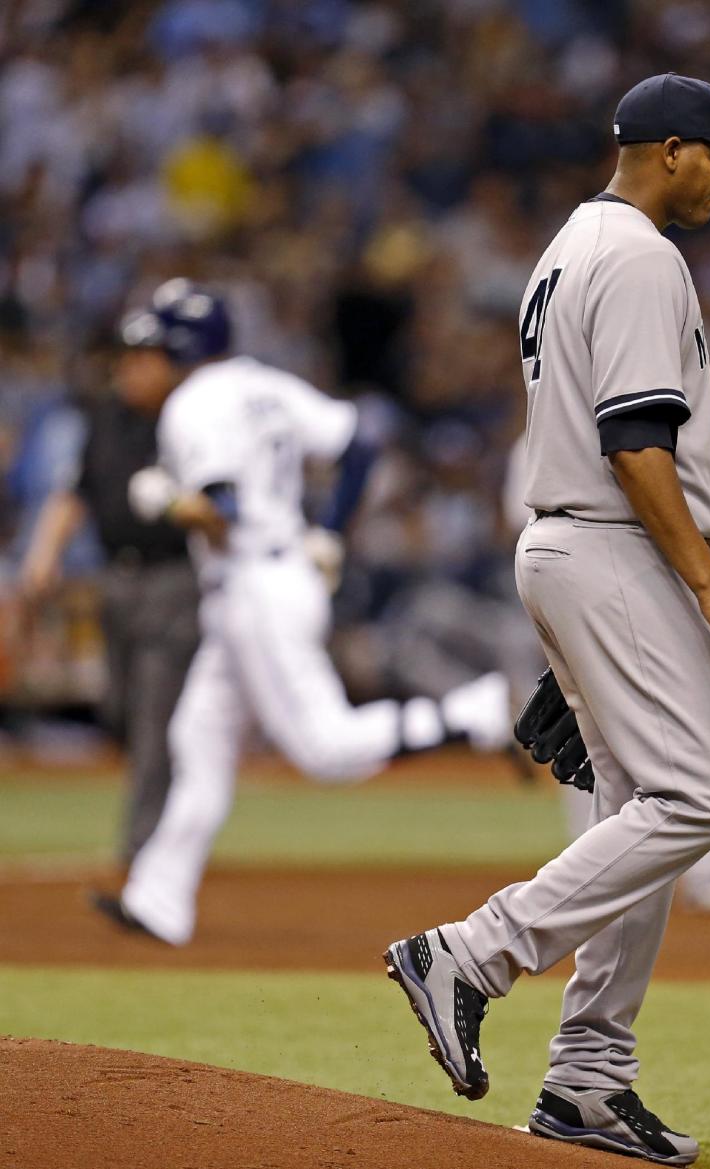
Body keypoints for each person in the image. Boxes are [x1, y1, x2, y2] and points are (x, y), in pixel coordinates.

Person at [384, 74, 710, 1165]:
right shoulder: (644, 254)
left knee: (637, 813)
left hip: (577, 546)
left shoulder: (567, 246)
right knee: (695, 798)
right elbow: (636, 438)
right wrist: (706, 585)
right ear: (664, 148)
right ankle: (472, 950)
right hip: (615, 543)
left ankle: (589, 1083)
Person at [91, 278, 511, 946]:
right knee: (197, 739)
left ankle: (472, 712)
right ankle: (158, 898)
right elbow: (361, 441)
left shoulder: (193, 405)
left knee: (327, 748)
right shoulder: (264, 384)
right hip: (274, 577)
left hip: (255, 586)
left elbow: (219, 512)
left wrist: (164, 499)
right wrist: (332, 530)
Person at [504, 434, 710, 915]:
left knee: (661, 756)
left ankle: (696, 875)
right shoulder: (545, 441)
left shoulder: (651, 423)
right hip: (596, 582)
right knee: (621, 756)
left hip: (625, 583)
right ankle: (591, 872)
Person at [18, 352, 200, 865]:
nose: (132, 374)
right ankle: (170, 808)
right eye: (127, 363)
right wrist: (44, 552)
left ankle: (145, 850)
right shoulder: (105, 420)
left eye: (146, 363)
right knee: (119, 709)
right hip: (114, 578)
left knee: (152, 714)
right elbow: (76, 493)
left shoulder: (189, 421)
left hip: (175, 577)